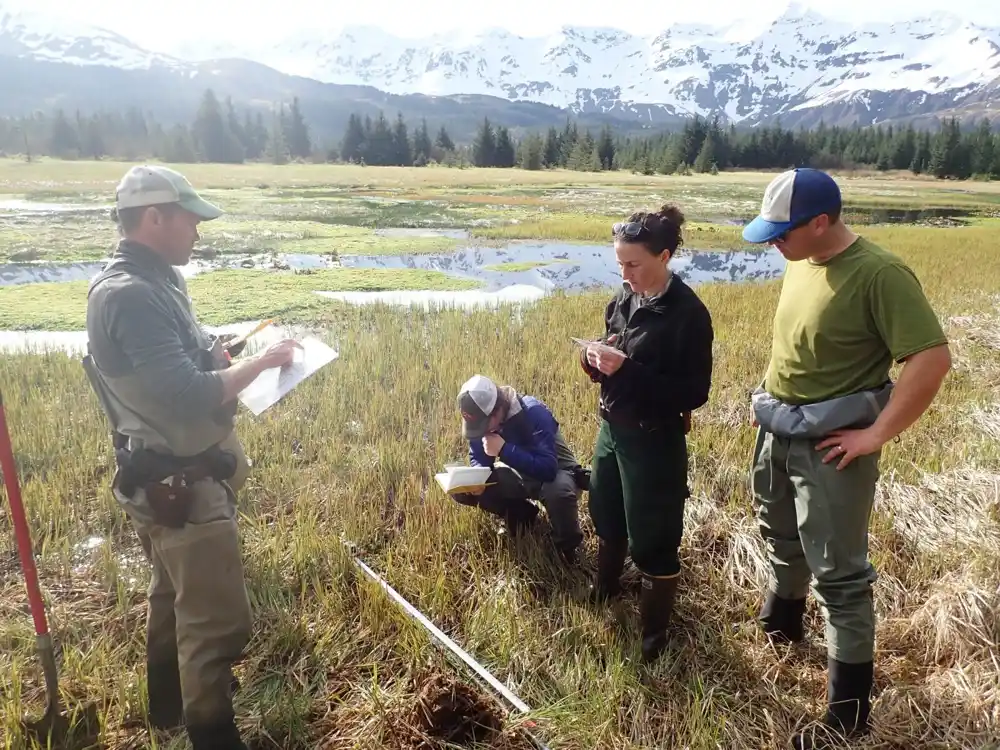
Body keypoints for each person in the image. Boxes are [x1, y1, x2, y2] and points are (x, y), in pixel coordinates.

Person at [82, 165, 302, 750]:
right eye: (191, 219)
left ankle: (165, 712)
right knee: (214, 625)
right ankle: (211, 734)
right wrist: (261, 363)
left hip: (162, 478)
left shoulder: (151, 281)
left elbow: (178, 365)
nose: (198, 232)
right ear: (155, 217)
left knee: (169, 598)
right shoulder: (131, 295)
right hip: (181, 484)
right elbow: (185, 392)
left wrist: (218, 351)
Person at [742, 168, 952, 749]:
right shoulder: (801, 259)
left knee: (839, 572)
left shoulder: (879, 274)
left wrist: (874, 435)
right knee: (778, 533)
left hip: (832, 447)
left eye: (781, 233)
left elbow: (931, 360)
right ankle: (782, 620)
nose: (772, 244)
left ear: (819, 222)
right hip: (778, 429)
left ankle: (849, 710)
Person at [579, 204, 714, 663]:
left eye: (633, 263)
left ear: (665, 255)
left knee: (653, 536)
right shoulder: (622, 299)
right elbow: (613, 353)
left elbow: (694, 393)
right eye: (619, 263)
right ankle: (604, 589)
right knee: (606, 512)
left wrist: (628, 371)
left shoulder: (688, 315)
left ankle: (653, 635)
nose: (625, 272)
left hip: (655, 439)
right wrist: (594, 361)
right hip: (611, 430)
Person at [453, 374, 588, 562]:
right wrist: (478, 479)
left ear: (498, 410)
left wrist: (503, 449)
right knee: (462, 488)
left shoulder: (533, 412)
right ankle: (522, 515)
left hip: (558, 472)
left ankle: (567, 548)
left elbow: (548, 469)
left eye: (483, 425)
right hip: (519, 472)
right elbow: (478, 456)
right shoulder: (482, 421)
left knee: (557, 491)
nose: (481, 432)